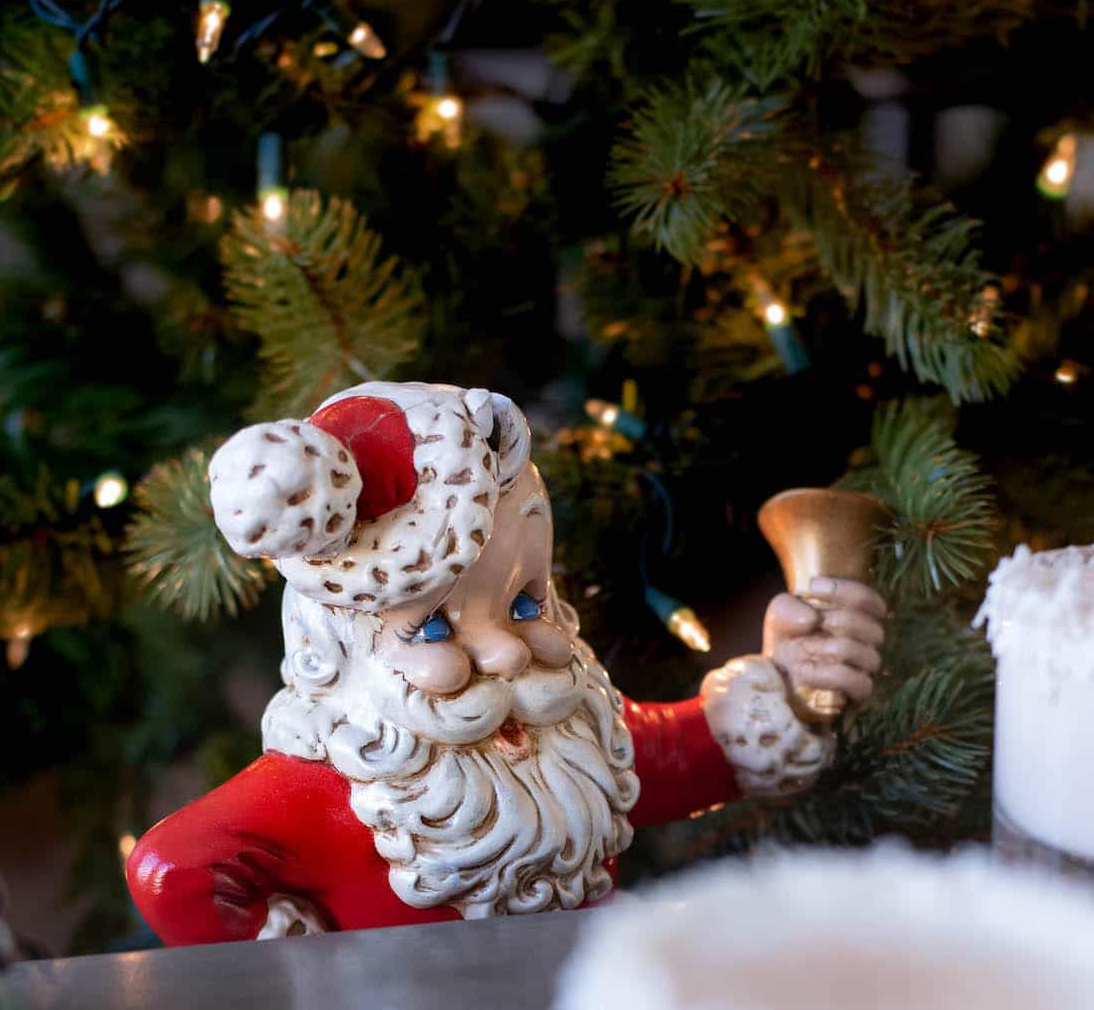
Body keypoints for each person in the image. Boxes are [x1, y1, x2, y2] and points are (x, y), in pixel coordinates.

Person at [127, 381, 887, 943]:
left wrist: (788, 687)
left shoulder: (574, 734)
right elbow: (172, 871)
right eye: (431, 631)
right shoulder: (327, 789)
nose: (504, 648)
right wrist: (289, 960)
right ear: (345, 651)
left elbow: (681, 751)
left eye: (526, 602)